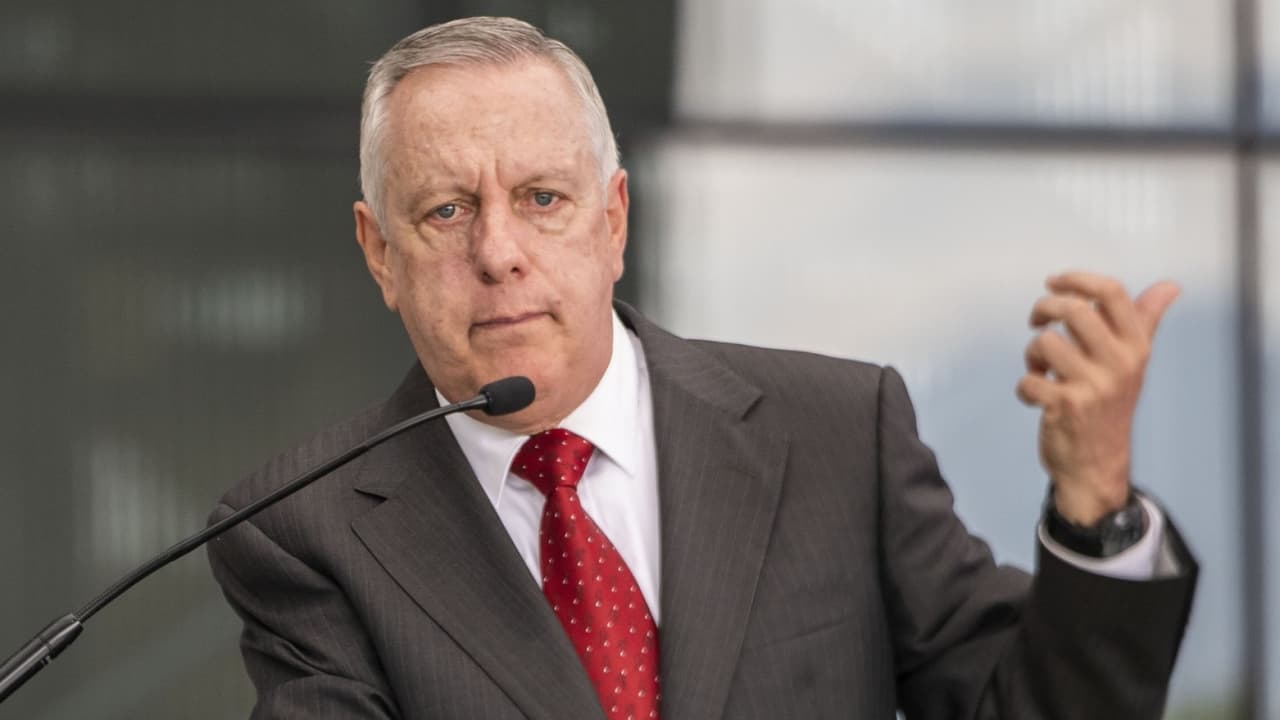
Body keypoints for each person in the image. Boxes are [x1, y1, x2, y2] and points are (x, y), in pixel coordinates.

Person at [207, 16, 1197, 720]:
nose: (499, 252)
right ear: (381, 253)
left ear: (613, 222)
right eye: (447, 210)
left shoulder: (835, 435)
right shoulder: (304, 532)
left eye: (543, 199)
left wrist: (1093, 512)